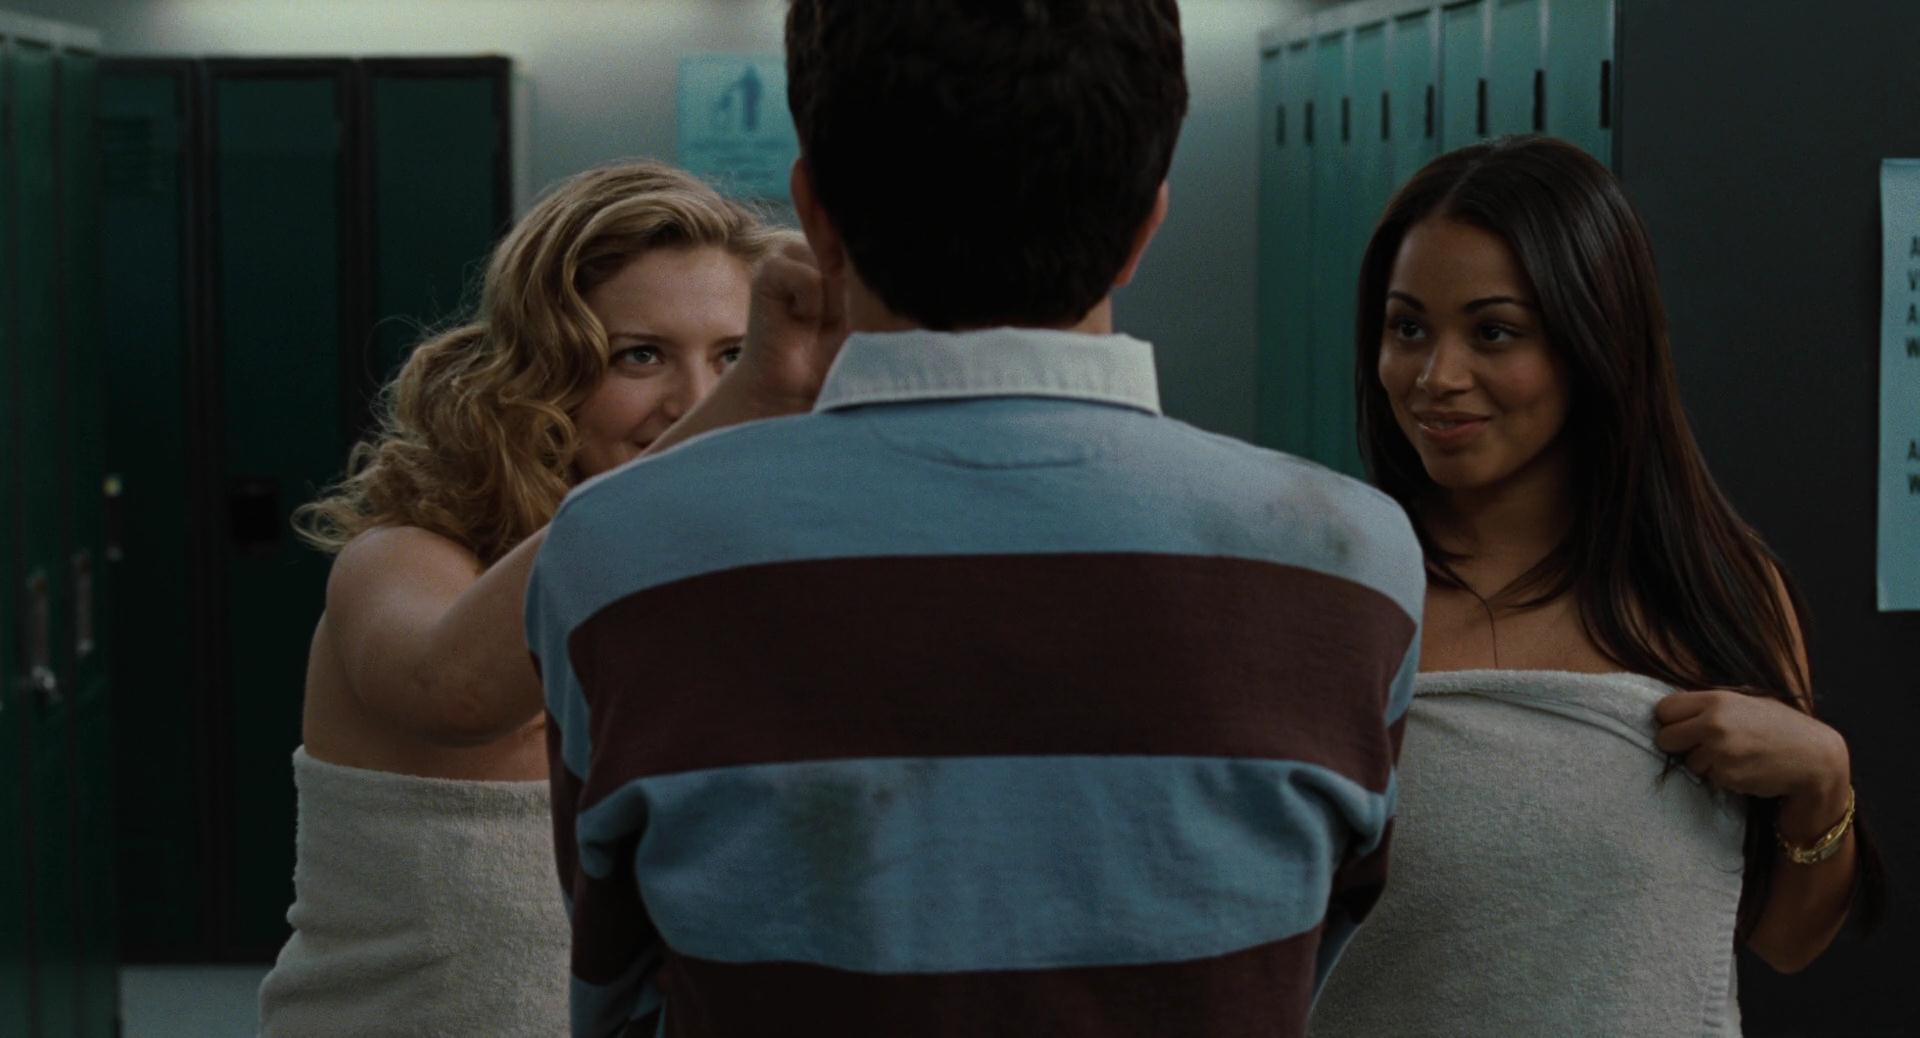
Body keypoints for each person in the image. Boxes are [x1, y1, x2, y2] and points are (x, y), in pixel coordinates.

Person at [526, 3, 1429, 1036]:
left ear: (817, 219)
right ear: (1145, 227)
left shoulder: (618, 554)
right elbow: (1298, 965)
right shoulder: (1353, 566)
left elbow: (617, 983)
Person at [1308, 135, 1886, 1035]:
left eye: (1493, 332)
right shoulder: (1338, 592)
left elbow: (1784, 941)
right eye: (1407, 328)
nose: (1436, 378)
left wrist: (1822, 780)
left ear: (1594, 339)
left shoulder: (1719, 592)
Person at [257, 161, 789, 1037]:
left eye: (732, 357)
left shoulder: (720, 595)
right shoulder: (402, 560)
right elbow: (453, 692)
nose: (696, 400)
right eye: (641, 356)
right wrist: (734, 418)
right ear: (542, 373)